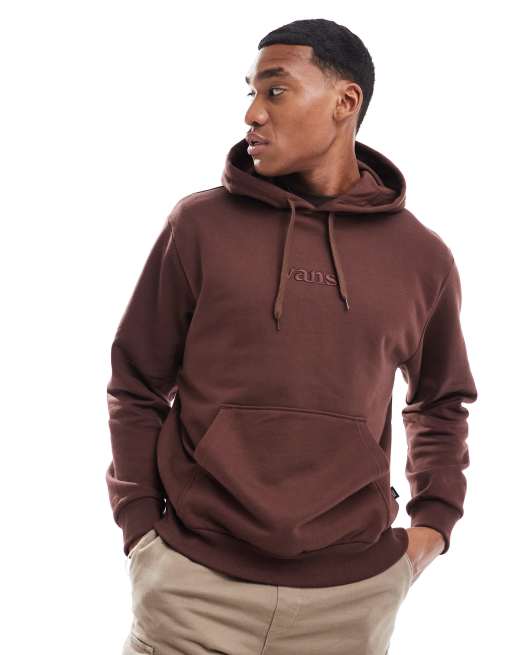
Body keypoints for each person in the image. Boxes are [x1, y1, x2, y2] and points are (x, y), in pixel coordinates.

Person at [106, 18, 478, 655]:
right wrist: (140, 526)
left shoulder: (422, 258)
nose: (252, 114)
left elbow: (441, 402)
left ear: (345, 101)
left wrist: (433, 524)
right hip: (194, 587)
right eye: (251, 92)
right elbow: (136, 383)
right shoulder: (199, 227)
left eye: (275, 91)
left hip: (349, 601)